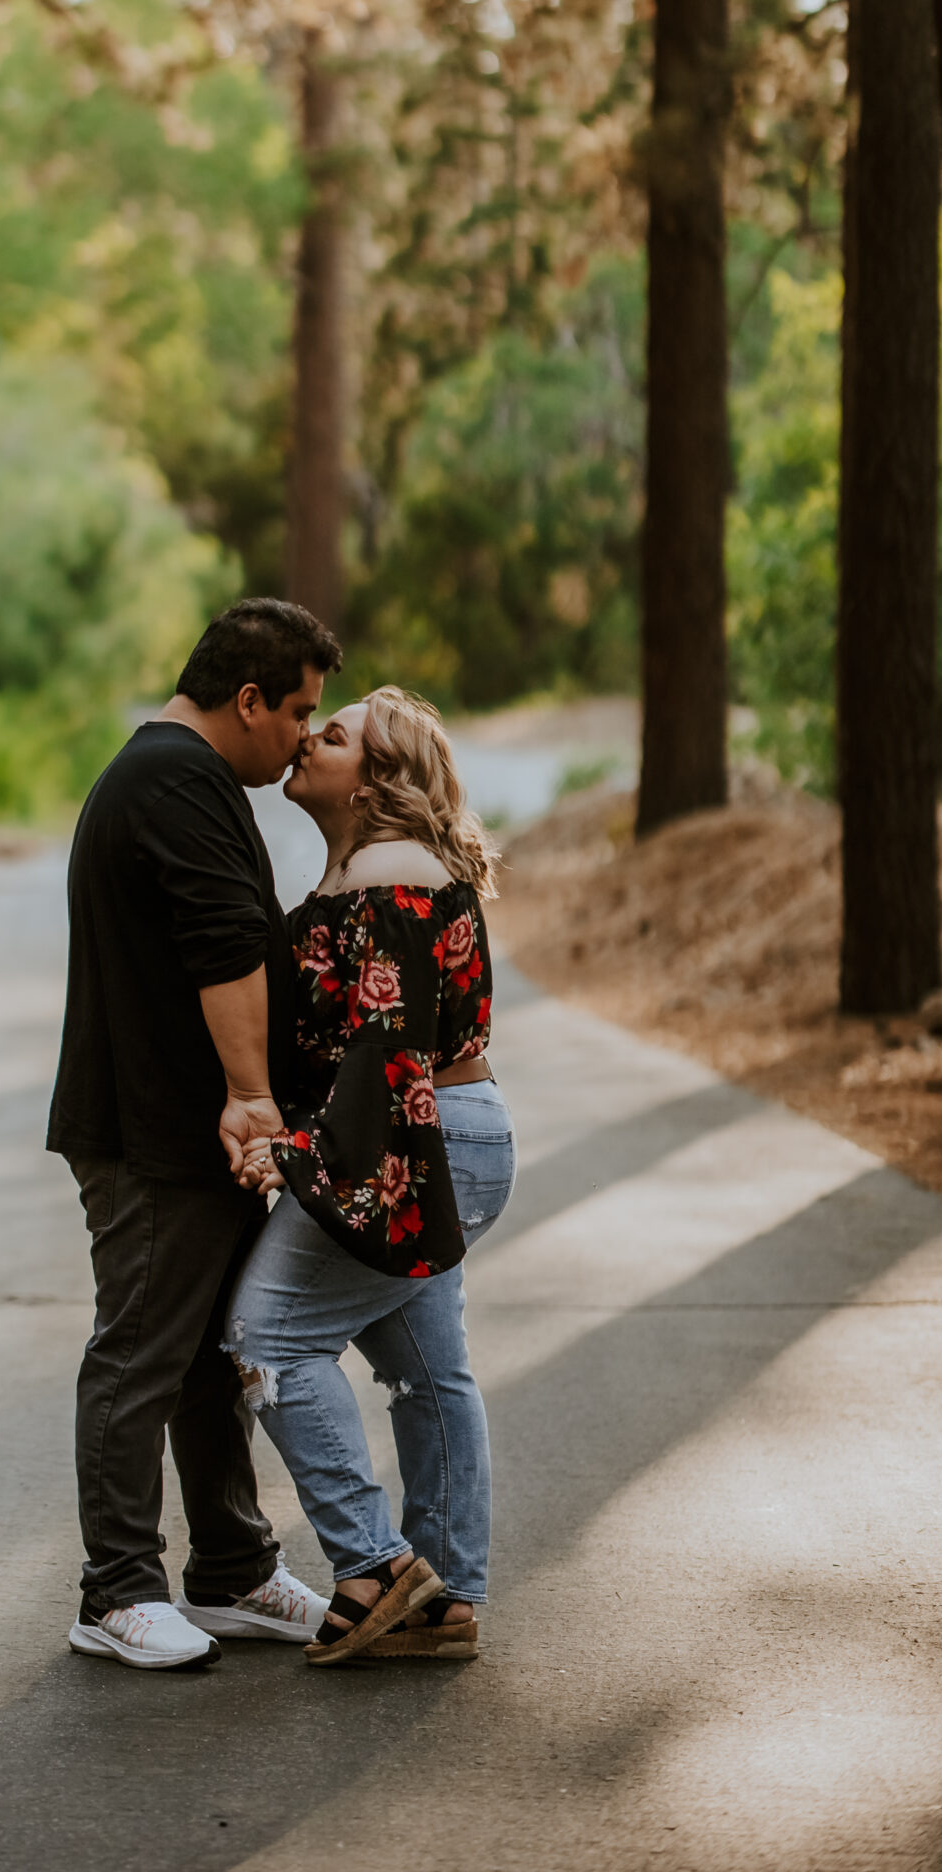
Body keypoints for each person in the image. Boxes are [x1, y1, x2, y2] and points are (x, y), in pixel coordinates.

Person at [47, 596, 343, 1670]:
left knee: (211, 1360)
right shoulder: (175, 777)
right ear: (247, 697)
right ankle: (116, 1588)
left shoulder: (182, 775)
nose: (308, 734)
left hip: (189, 1132)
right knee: (141, 1351)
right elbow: (225, 946)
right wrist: (254, 1097)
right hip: (154, 1135)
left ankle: (231, 1572)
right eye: (300, 710)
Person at [229, 684, 515, 1665]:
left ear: (377, 779)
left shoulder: (388, 874)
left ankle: (379, 1568)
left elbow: (384, 1056)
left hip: (414, 1133)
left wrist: (297, 1154)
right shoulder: (382, 867)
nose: (310, 736)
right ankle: (446, 1597)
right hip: (454, 1131)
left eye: (336, 733)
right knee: (428, 1373)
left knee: (265, 1335)